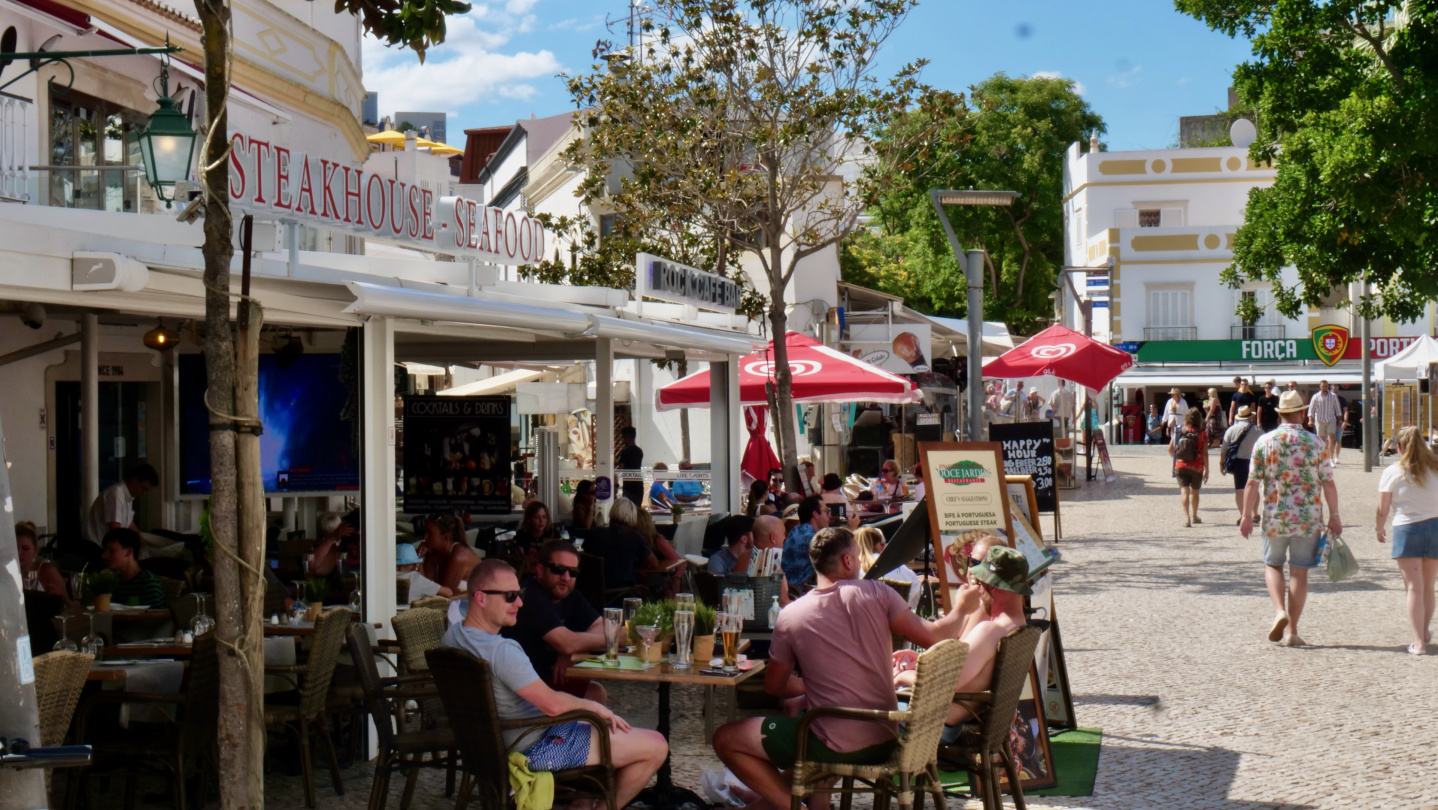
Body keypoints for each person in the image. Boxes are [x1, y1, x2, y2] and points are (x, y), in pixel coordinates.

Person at [711, 527, 966, 810]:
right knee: (812, 735)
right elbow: (935, 636)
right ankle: (761, 805)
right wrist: (964, 608)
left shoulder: (791, 615)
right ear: (847, 561)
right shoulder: (879, 592)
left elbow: (775, 687)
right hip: (885, 736)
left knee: (726, 738)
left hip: (832, 741)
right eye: (857, 556)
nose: (858, 562)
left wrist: (816, 687)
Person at [442, 560, 666, 807]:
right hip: (533, 747)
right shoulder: (502, 651)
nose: (519, 603)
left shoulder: (452, 637)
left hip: (489, 746)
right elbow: (552, 706)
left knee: (601, 730)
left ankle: (581, 802)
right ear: (481, 599)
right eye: (510, 596)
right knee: (655, 746)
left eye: (520, 594)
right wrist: (597, 709)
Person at [1241, 390, 1342, 647]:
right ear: (1300, 413)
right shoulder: (1317, 443)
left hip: (1275, 517)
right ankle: (1292, 631)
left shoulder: (1264, 442)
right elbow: (1328, 483)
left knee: (1273, 564)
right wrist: (1335, 516)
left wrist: (1245, 516)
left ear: (1279, 414)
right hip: (1308, 518)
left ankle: (1279, 611)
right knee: (1299, 573)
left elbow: (1252, 484)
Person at [893, 545, 1029, 736]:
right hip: (951, 718)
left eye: (981, 584)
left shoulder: (990, 631)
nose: (978, 590)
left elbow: (944, 683)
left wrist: (900, 677)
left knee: (855, 711)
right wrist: (922, 662)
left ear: (993, 587)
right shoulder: (1017, 627)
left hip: (929, 725)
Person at [504, 541, 609, 699]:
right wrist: (570, 647)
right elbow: (567, 643)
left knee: (596, 693)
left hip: (544, 680)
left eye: (573, 572)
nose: (566, 577)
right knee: (594, 695)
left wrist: (574, 649)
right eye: (558, 569)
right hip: (519, 690)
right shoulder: (529, 596)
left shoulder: (569, 594)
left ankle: (579, 724)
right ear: (540, 570)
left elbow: (604, 625)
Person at [1375, 427, 1438, 655]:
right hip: (1435, 527)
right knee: (1428, 588)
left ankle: (1419, 642)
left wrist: (1379, 528)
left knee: (1413, 588)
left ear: (1399, 448)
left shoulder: (1393, 471)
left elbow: (1383, 509)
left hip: (1407, 528)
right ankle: (1424, 633)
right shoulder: (1435, 468)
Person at [587, 498, 659, 589]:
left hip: (594, 591)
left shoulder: (594, 533)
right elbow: (654, 563)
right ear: (632, 517)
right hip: (623, 593)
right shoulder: (633, 537)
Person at [83, 463, 158, 546]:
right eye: (143, 488)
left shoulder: (128, 496)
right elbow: (115, 529)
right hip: (97, 547)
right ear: (134, 480)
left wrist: (143, 542)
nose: (144, 493)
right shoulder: (116, 495)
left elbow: (129, 523)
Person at [101, 528, 166, 608]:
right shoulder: (115, 581)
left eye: (111, 550)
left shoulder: (148, 582)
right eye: (105, 551)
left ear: (129, 552)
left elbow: (155, 617)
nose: (104, 556)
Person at [1219, 405, 1261, 522]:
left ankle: (1243, 515)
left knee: (1239, 489)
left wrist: (1221, 464)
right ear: (1250, 417)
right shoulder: (1258, 430)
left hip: (1239, 462)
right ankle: (1255, 512)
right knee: (1254, 486)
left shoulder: (1231, 430)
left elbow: (1224, 450)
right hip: (1254, 461)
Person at [420, 513, 480, 594]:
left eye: (430, 533)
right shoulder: (432, 554)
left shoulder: (459, 556)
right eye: (425, 532)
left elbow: (446, 596)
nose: (425, 537)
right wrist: (418, 558)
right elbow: (422, 588)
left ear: (446, 537)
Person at [1170, 408, 1209, 528]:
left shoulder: (1180, 431)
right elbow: (1204, 453)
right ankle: (1194, 516)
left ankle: (1186, 518)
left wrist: (1177, 458)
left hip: (1181, 465)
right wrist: (1207, 470)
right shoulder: (1202, 434)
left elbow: (1170, 448)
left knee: (1184, 491)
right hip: (1196, 467)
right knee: (1195, 492)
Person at [780, 495, 829, 589]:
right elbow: (838, 556)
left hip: (790, 589)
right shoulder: (812, 538)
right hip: (796, 594)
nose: (829, 515)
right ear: (815, 514)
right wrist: (850, 527)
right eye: (826, 511)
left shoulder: (796, 530)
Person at [16, 522, 68, 600]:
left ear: (35, 551)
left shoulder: (47, 571)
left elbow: (65, 603)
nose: (18, 552)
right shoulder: (4, 573)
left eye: (25, 548)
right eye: (15, 548)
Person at [1307, 379, 1343, 465]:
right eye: (1323, 386)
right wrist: (1310, 420)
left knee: (1331, 437)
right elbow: (1311, 409)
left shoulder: (1333, 396)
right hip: (1320, 419)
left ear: (1328, 386)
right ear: (1320, 386)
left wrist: (1340, 420)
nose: (1324, 388)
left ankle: (1331, 458)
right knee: (1322, 440)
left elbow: (1337, 409)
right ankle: (1324, 457)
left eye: (1326, 386)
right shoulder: (1316, 396)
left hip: (1331, 419)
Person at [615, 425, 645, 504]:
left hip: (629, 485)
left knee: (628, 509)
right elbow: (633, 463)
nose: (623, 440)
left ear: (629, 438)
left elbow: (621, 468)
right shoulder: (639, 451)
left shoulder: (625, 451)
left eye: (624, 438)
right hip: (638, 483)